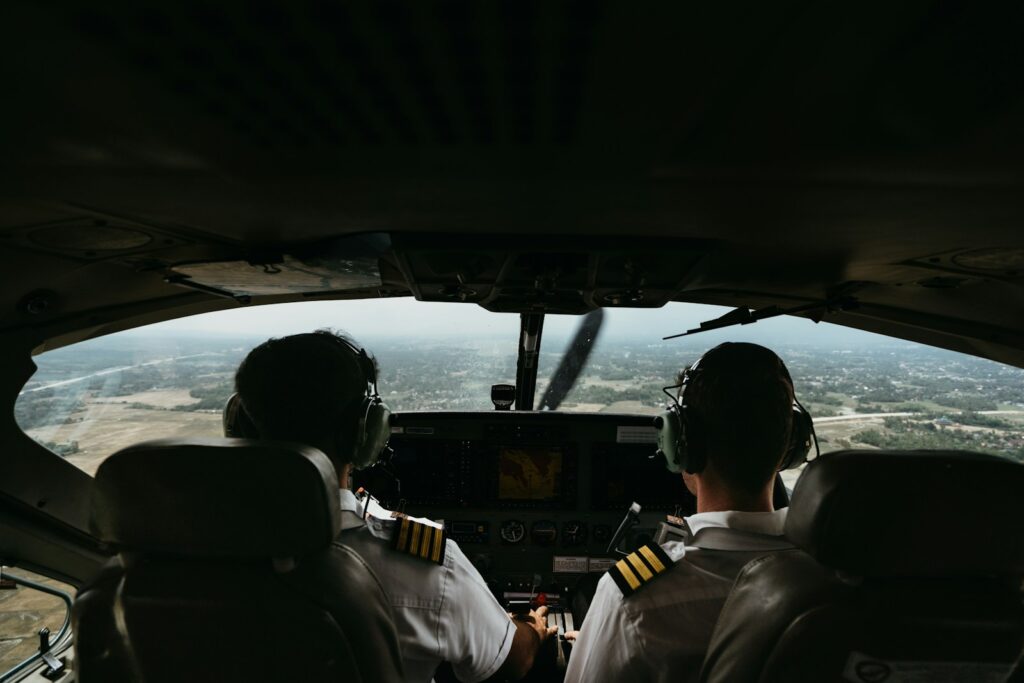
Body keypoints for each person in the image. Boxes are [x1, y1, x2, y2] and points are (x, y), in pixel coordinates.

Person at [233, 330, 556, 683]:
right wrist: (531, 628)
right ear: (365, 431)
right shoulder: (430, 567)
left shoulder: (190, 548)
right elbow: (512, 661)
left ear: (242, 429)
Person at [563, 342, 800, 683]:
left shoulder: (637, 601)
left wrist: (598, 641)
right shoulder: (835, 580)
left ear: (682, 445)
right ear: (789, 446)